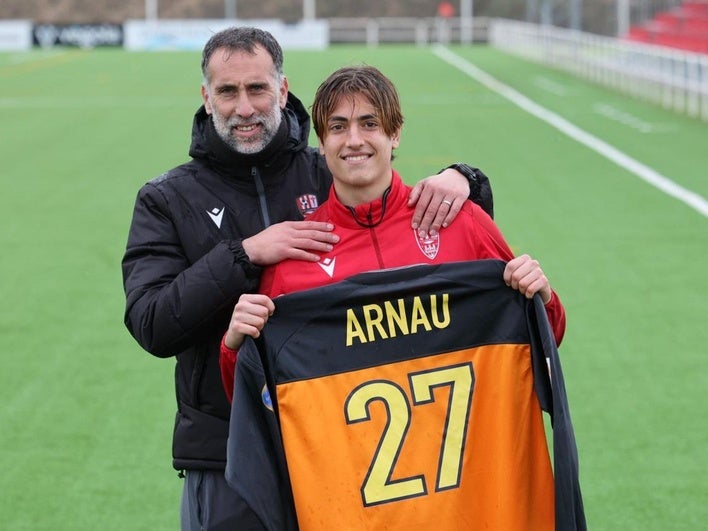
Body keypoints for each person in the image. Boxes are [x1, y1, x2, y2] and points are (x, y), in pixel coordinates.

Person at [121, 26, 495, 531]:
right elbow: (152, 324)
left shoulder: (331, 168)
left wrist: (466, 178)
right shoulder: (166, 198)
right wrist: (246, 254)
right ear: (207, 98)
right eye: (228, 92)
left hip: (341, 445)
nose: (244, 107)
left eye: (257, 89)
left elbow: (418, 231)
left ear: (282, 88)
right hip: (223, 452)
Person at [220, 65, 584, 530]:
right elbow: (256, 399)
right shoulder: (295, 260)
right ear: (322, 142)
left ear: (395, 135)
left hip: (472, 509)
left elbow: (545, 337)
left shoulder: (461, 223)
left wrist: (542, 296)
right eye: (338, 127)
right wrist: (234, 344)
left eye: (369, 123)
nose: (354, 140)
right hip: (358, 516)